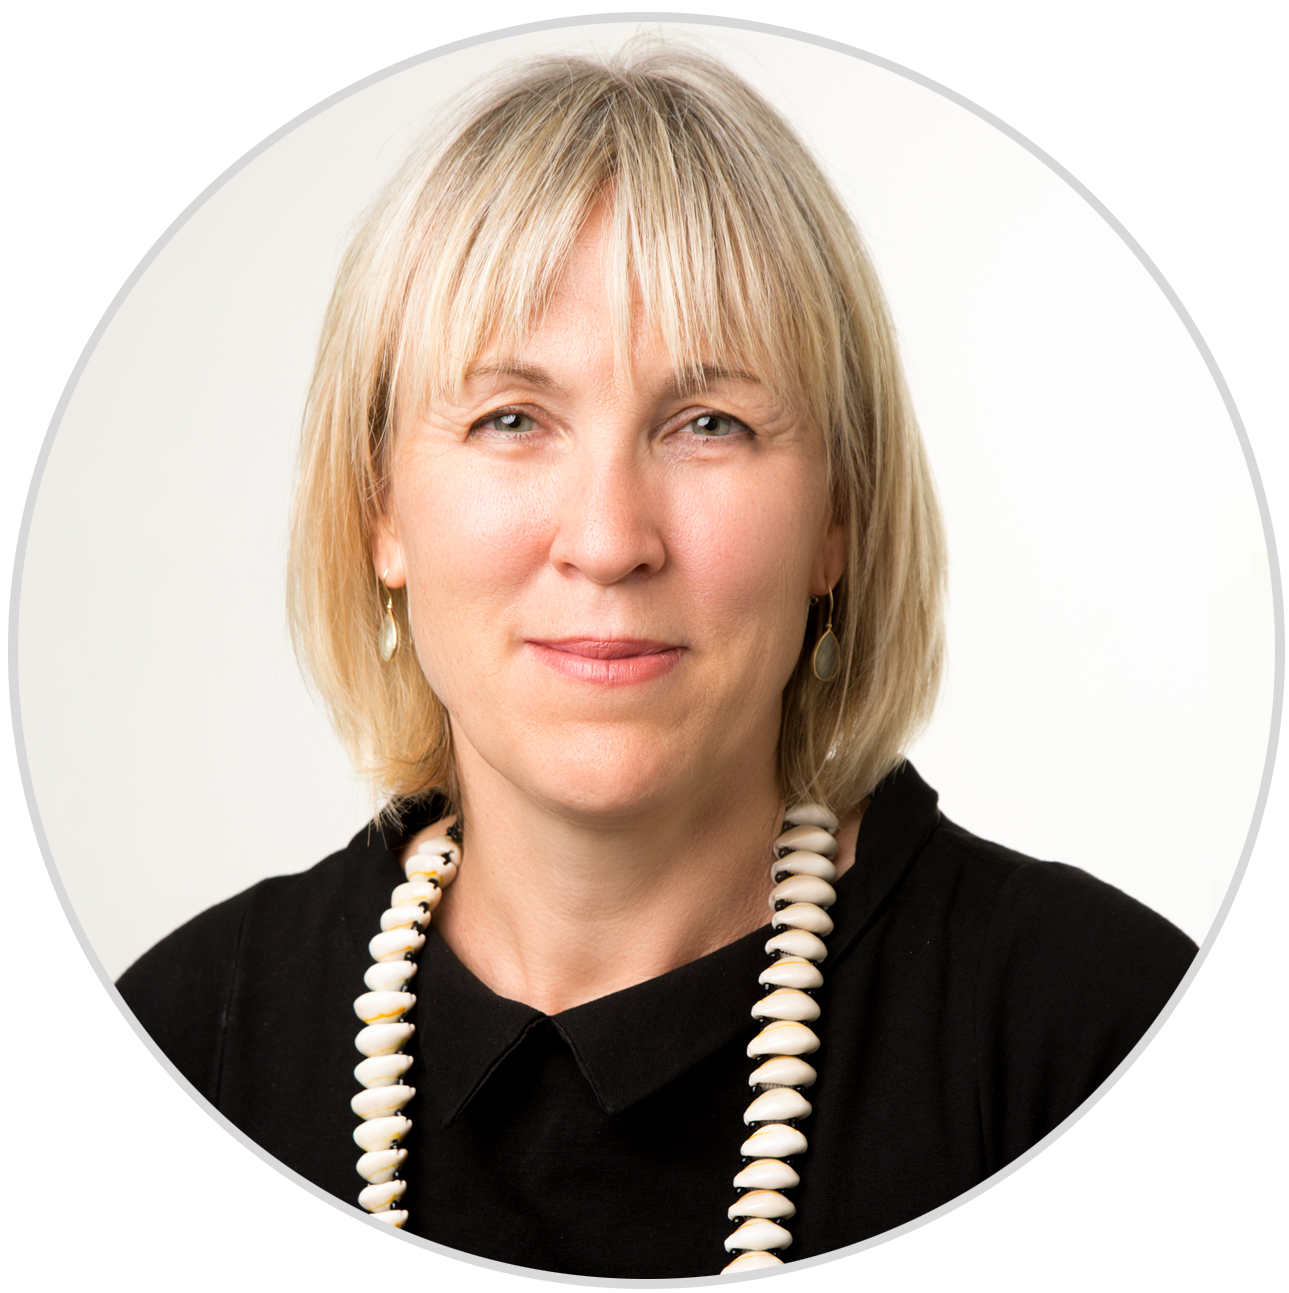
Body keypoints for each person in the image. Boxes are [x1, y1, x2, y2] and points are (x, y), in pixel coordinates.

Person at [117, 41, 1197, 1278]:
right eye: (510, 419)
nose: (608, 540)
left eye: (707, 425)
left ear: (836, 519)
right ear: (380, 510)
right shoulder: (184, 1046)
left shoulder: (1102, 1042)